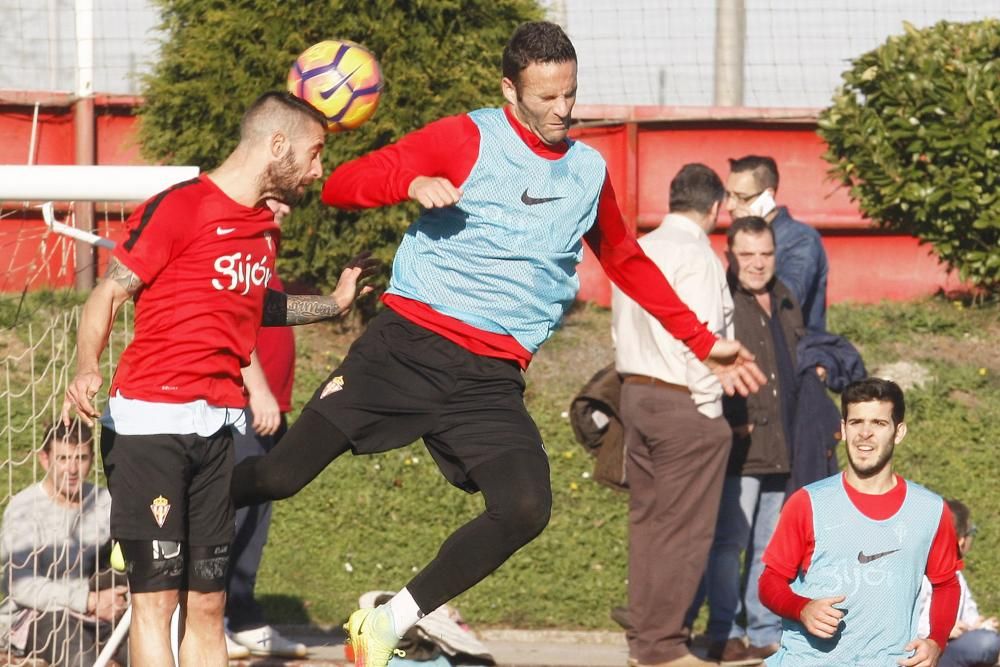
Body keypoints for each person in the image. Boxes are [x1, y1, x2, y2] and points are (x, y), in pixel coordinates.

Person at [230, 21, 766, 667]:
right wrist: (408, 185)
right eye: (546, 97)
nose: (563, 110)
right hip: (406, 346)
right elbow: (341, 185)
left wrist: (705, 342)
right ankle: (172, 504)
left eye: (570, 93)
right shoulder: (464, 137)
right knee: (283, 473)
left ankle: (388, 619)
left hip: (490, 376)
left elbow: (627, 260)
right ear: (510, 88)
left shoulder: (587, 171)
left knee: (525, 505)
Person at [61, 91, 375, 667]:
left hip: (217, 432)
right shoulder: (181, 207)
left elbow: (258, 305)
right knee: (154, 603)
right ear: (277, 145)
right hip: (149, 425)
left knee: (207, 604)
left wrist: (331, 304)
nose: (318, 170)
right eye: (314, 154)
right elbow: (109, 291)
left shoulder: (263, 230)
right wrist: (87, 365)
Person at [613, 164, 734, 667]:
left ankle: (645, 639)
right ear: (715, 209)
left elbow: (620, 329)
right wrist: (711, 411)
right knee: (685, 529)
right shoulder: (698, 257)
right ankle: (663, 647)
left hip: (636, 393)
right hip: (684, 400)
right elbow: (702, 342)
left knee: (649, 523)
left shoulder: (639, 250)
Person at [759, 377, 961, 667]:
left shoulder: (930, 510)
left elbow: (947, 584)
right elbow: (770, 580)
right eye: (856, 423)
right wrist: (801, 608)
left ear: (898, 432)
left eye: (878, 424)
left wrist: (936, 641)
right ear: (843, 429)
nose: (865, 433)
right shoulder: (808, 502)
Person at [699, 217, 804, 663]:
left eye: (766, 253)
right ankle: (725, 629)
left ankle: (763, 629)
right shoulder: (720, 298)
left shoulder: (786, 298)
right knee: (728, 545)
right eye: (748, 254)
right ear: (730, 256)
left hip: (782, 444)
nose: (758, 263)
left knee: (768, 548)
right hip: (739, 446)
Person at [224, 275, 308, 659]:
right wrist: (256, 391)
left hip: (272, 407)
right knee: (231, 516)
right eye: (277, 206)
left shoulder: (265, 256)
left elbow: (277, 310)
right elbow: (230, 322)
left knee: (257, 520)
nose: (280, 210)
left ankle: (242, 615)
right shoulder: (234, 247)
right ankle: (211, 617)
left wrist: (339, 299)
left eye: (287, 207)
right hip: (240, 403)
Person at [0, 421, 127, 666]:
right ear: (45, 459)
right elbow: (21, 586)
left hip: (107, 611)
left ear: (92, 459)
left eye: (80, 458)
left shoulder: (105, 502)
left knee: (144, 650)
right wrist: (88, 601)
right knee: (79, 656)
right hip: (43, 615)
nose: (72, 469)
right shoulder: (24, 508)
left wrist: (118, 597)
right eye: (63, 458)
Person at [724, 156, 829, 333]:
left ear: (768, 196)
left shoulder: (801, 239)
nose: (730, 206)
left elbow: (789, 302)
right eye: (728, 195)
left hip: (795, 352)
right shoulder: (741, 237)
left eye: (742, 198)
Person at [916, 499, 1000, 667]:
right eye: (972, 532)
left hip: (947, 648)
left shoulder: (956, 574)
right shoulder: (921, 573)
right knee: (986, 643)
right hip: (921, 651)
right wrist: (941, 630)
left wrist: (979, 624)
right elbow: (905, 622)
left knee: (987, 640)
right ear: (962, 540)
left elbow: (969, 616)